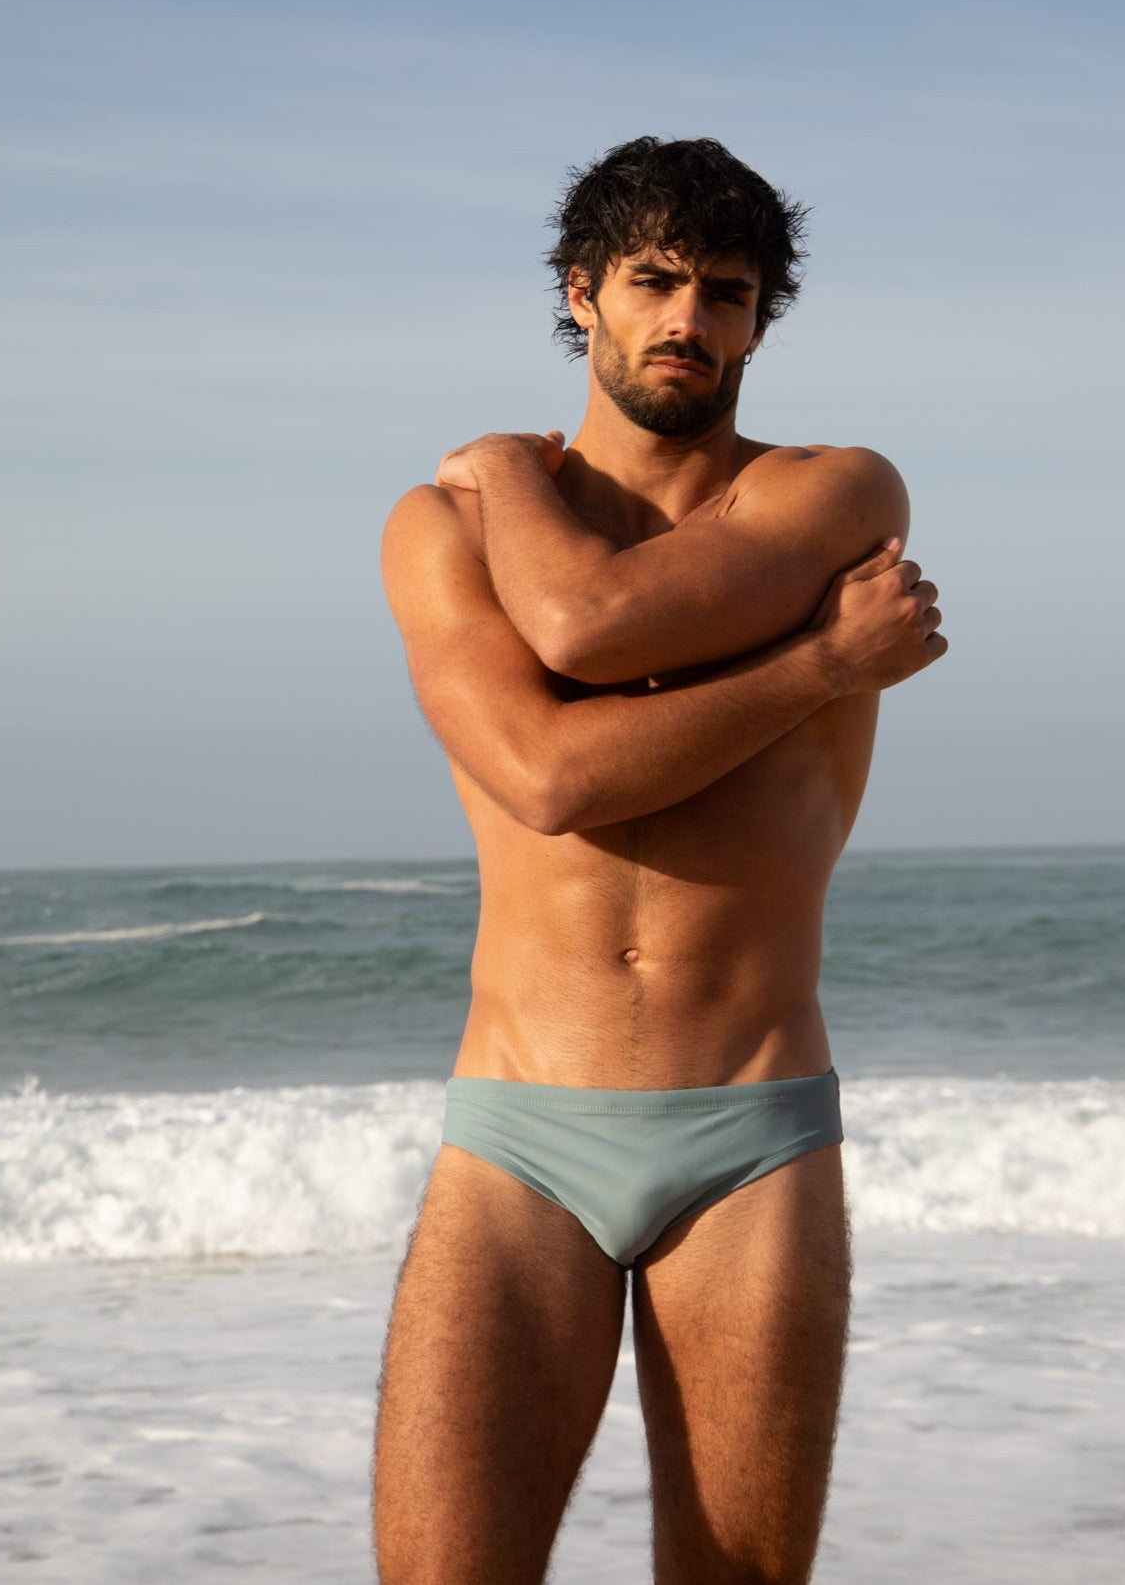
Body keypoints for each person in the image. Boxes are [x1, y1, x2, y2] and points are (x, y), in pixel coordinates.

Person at [373, 136, 946, 1585]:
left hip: (748, 1136)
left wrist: (507, 462)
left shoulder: (833, 500)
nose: (689, 319)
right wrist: (821, 664)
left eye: (729, 293)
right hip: (519, 1134)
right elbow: (553, 771)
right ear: (582, 295)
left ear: (762, 321)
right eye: (652, 282)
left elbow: (592, 629)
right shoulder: (441, 526)